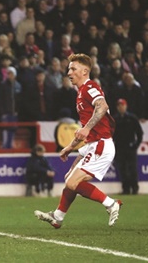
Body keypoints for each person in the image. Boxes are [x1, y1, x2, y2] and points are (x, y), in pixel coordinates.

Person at [35, 53, 122, 229]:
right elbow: (84, 131)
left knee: (73, 183)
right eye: (68, 69)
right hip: (92, 144)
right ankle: (58, 216)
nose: (69, 72)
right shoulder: (81, 92)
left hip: (101, 144)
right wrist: (69, 147)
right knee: (70, 180)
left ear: (84, 71)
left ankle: (110, 203)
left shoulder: (90, 86)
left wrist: (87, 129)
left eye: (73, 69)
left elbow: (102, 106)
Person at [113, 98, 143, 195]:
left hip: (130, 147)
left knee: (132, 169)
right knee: (122, 169)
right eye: (119, 105)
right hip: (119, 148)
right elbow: (111, 134)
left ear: (126, 106)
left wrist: (136, 144)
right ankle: (126, 189)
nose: (121, 107)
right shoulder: (115, 119)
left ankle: (134, 188)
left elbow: (139, 133)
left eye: (122, 105)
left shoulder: (132, 118)